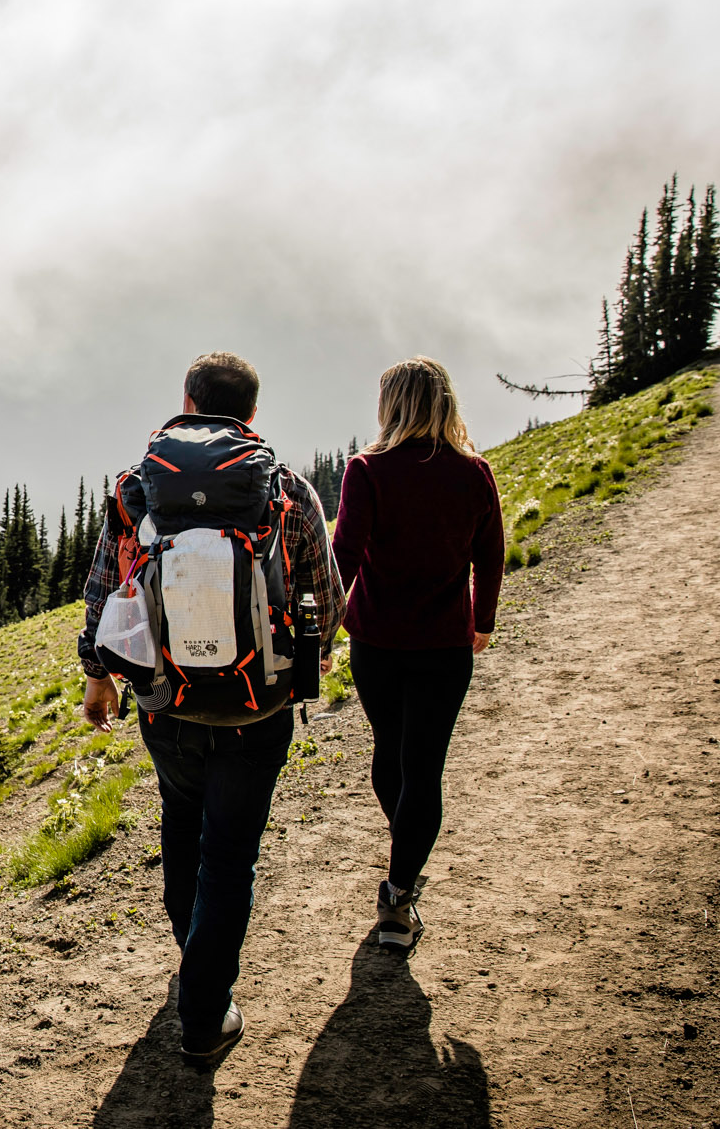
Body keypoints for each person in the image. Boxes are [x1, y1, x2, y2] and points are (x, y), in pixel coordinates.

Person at [80, 351, 344, 1066]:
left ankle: (194, 963)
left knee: (180, 824)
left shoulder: (141, 490)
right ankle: (204, 1010)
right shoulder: (286, 489)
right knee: (231, 855)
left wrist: (98, 679)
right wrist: (311, 656)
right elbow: (328, 593)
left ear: (187, 403)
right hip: (260, 709)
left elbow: (106, 588)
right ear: (249, 413)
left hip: (166, 706)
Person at [330, 356, 503, 952]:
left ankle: (404, 859)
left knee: (390, 750)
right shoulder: (474, 473)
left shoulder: (367, 470)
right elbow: (491, 557)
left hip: (376, 642)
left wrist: (320, 635)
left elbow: (344, 557)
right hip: (445, 645)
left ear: (391, 406)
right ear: (444, 403)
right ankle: (400, 895)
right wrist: (482, 621)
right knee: (423, 765)